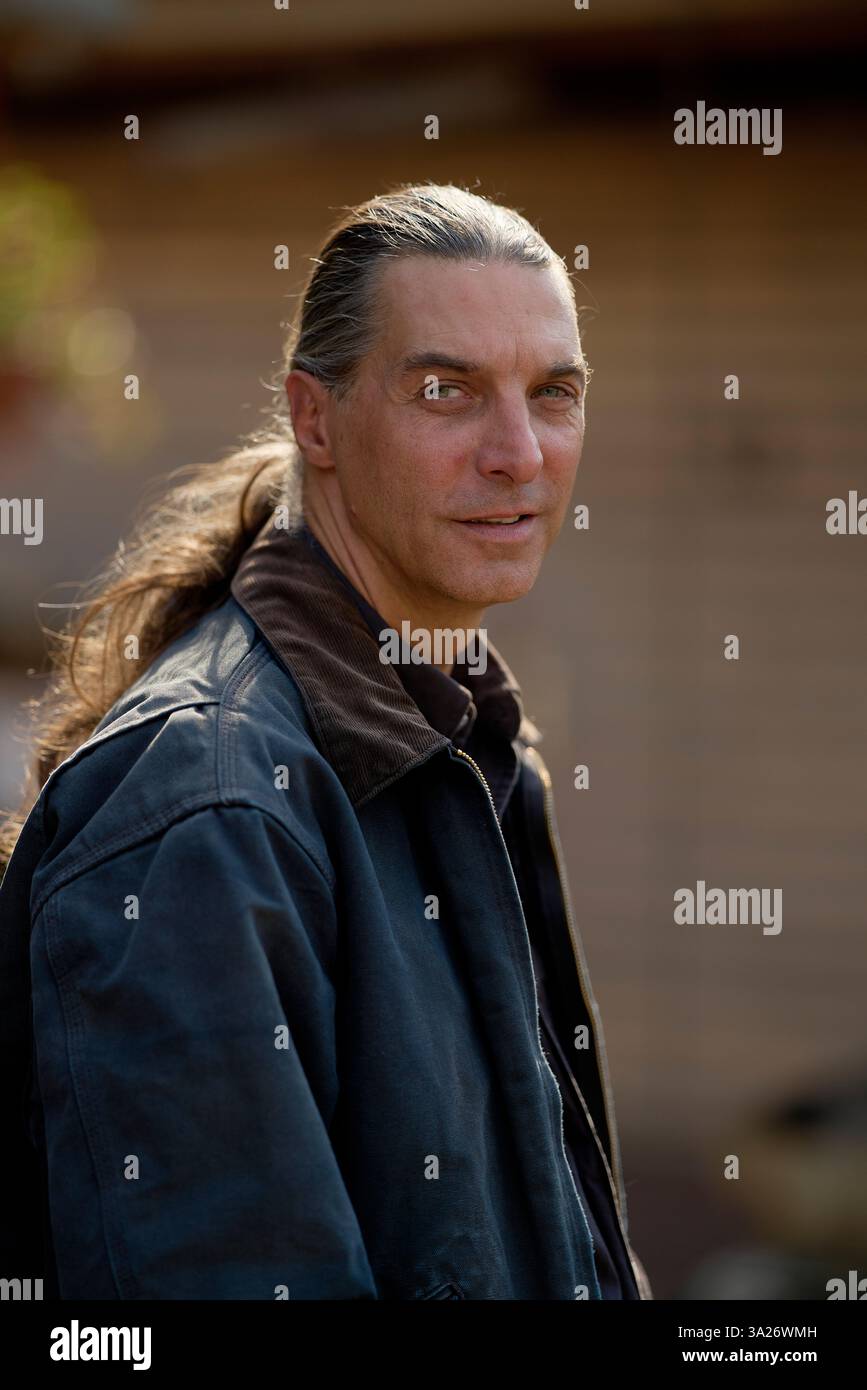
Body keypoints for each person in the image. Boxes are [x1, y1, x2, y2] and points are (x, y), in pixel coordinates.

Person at [0, 182, 652, 1301]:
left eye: (554, 393)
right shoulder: (205, 818)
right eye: (446, 391)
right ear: (316, 419)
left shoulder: (474, 740)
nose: (519, 453)